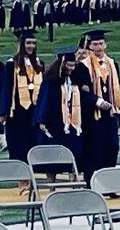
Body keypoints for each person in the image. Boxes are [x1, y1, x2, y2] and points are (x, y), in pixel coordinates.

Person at [75, 29, 120, 182]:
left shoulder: (112, 64)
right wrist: (97, 101)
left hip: (110, 114)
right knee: (94, 149)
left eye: (101, 44)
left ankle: (109, 183)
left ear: (105, 45)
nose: (98, 47)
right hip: (92, 115)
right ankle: (93, 182)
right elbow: (80, 92)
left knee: (112, 148)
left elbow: (117, 88)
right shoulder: (83, 66)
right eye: (95, 44)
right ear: (89, 46)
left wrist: (118, 111)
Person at [34, 47, 85, 177]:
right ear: (62, 64)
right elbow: (44, 100)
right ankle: (52, 183)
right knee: (53, 157)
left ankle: (74, 180)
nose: (71, 68)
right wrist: (41, 120)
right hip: (55, 122)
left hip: (72, 122)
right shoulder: (51, 81)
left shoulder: (74, 80)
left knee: (74, 152)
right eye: (69, 65)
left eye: (73, 65)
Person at [0, 30, 43, 164]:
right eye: (28, 43)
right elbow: (6, 87)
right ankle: (21, 177)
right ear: (22, 44)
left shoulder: (39, 63)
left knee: (33, 143)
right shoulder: (12, 64)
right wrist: (4, 111)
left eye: (34, 43)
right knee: (18, 144)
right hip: (17, 111)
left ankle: (31, 176)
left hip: (34, 111)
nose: (31, 46)